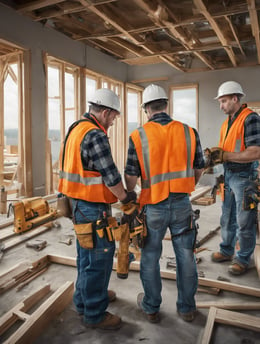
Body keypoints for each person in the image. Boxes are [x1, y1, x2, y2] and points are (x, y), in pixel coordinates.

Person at [124, 84, 205, 323]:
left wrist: (131, 194)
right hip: (182, 203)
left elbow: (130, 176)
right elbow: (199, 167)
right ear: (165, 105)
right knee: (186, 256)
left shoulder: (138, 135)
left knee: (150, 256)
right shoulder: (189, 131)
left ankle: (151, 307)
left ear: (146, 108)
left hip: (153, 205)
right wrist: (187, 186)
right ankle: (187, 308)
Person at [58, 88, 136, 330]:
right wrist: (126, 198)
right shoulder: (95, 135)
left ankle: (84, 299)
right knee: (100, 258)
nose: (113, 121)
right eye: (113, 116)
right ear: (104, 112)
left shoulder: (76, 128)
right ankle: (94, 312)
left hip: (76, 203)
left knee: (85, 255)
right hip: (92, 206)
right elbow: (111, 176)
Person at [209, 81, 260, 275]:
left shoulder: (251, 119)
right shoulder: (227, 122)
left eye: (223, 101)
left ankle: (243, 259)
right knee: (227, 216)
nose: (221, 105)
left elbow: (256, 152)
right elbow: (226, 150)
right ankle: (226, 250)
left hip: (245, 177)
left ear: (235, 99)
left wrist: (225, 156)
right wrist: (214, 159)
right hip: (229, 175)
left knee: (244, 220)